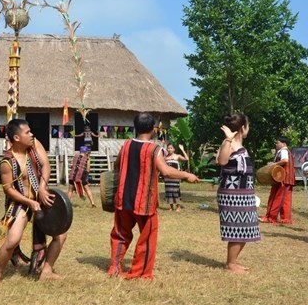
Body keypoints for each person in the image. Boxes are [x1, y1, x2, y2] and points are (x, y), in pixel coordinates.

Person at [108, 113, 199, 280]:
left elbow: (117, 165)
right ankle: (139, 272)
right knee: (147, 237)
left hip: (123, 198)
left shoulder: (126, 145)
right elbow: (165, 170)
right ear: (153, 129)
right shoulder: (155, 149)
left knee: (120, 234)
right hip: (144, 201)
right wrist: (186, 175)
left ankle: (114, 267)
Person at [0, 118, 63, 286]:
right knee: (12, 241)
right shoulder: (7, 162)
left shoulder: (34, 145)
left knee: (61, 234)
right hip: (20, 202)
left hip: (40, 196)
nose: (32, 134)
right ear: (16, 138)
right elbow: (8, 190)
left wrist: (42, 188)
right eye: (27, 132)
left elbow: (45, 165)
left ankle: (47, 271)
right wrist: (29, 203)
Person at [215, 113, 260, 274]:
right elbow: (222, 161)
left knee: (246, 229)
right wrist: (227, 139)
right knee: (237, 228)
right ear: (243, 128)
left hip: (243, 193)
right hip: (232, 194)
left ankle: (232, 262)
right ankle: (230, 264)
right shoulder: (229, 143)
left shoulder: (239, 144)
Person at [261, 136, 295, 224]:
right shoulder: (287, 151)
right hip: (288, 178)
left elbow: (285, 161)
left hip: (281, 178)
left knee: (276, 198)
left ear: (283, 144)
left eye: (278, 142)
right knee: (285, 199)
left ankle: (271, 217)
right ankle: (286, 218)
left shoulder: (283, 151)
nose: (276, 144)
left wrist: (273, 164)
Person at [164, 143, 189, 211]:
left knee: (175, 191)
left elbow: (187, 159)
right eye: (168, 148)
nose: (170, 149)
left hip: (175, 177)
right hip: (168, 177)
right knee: (169, 191)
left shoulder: (177, 156)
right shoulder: (165, 158)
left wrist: (182, 150)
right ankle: (171, 207)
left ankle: (178, 207)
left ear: (174, 149)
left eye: (171, 148)